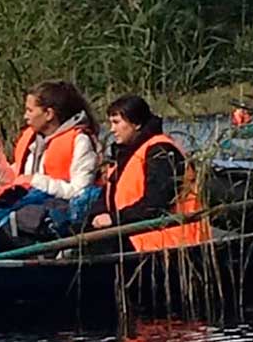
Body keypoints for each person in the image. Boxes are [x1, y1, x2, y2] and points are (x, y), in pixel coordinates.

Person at [0, 80, 103, 257]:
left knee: (1, 229)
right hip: (27, 215)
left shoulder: (80, 141)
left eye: (30, 110)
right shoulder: (32, 141)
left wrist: (37, 181)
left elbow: (80, 193)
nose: (25, 116)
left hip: (57, 222)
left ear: (49, 113)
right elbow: (12, 182)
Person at [87, 95, 212, 251]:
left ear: (136, 124)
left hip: (167, 242)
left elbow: (156, 204)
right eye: (110, 123)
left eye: (117, 122)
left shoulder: (161, 152)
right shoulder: (125, 154)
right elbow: (107, 195)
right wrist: (95, 217)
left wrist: (114, 219)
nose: (112, 130)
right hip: (133, 234)